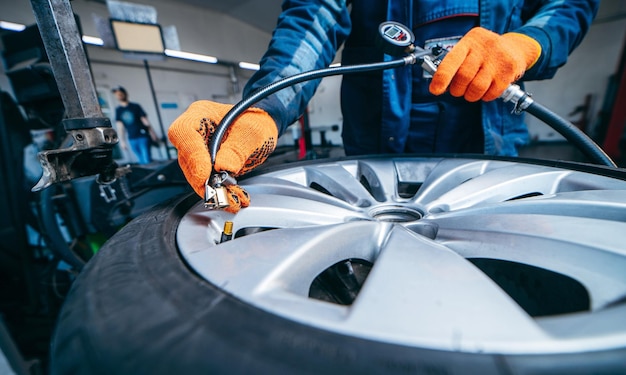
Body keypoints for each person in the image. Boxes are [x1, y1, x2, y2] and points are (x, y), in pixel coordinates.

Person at [168, 0, 599, 212]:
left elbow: (569, 4)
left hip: (487, 151)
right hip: (371, 156)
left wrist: (527, 44)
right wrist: (264, 106)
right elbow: (315, 14)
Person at [112, 86, 159, 164]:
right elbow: (120, 127)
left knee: (146, 159)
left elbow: (145, 121)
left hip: (142, 136)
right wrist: (122, 141)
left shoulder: (135, 106)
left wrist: (153, 134)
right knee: (140, 160)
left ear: (125, 94)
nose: (119, 96)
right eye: (117, 95)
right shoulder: (118, 110)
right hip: (131, 138)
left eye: (120, 94)